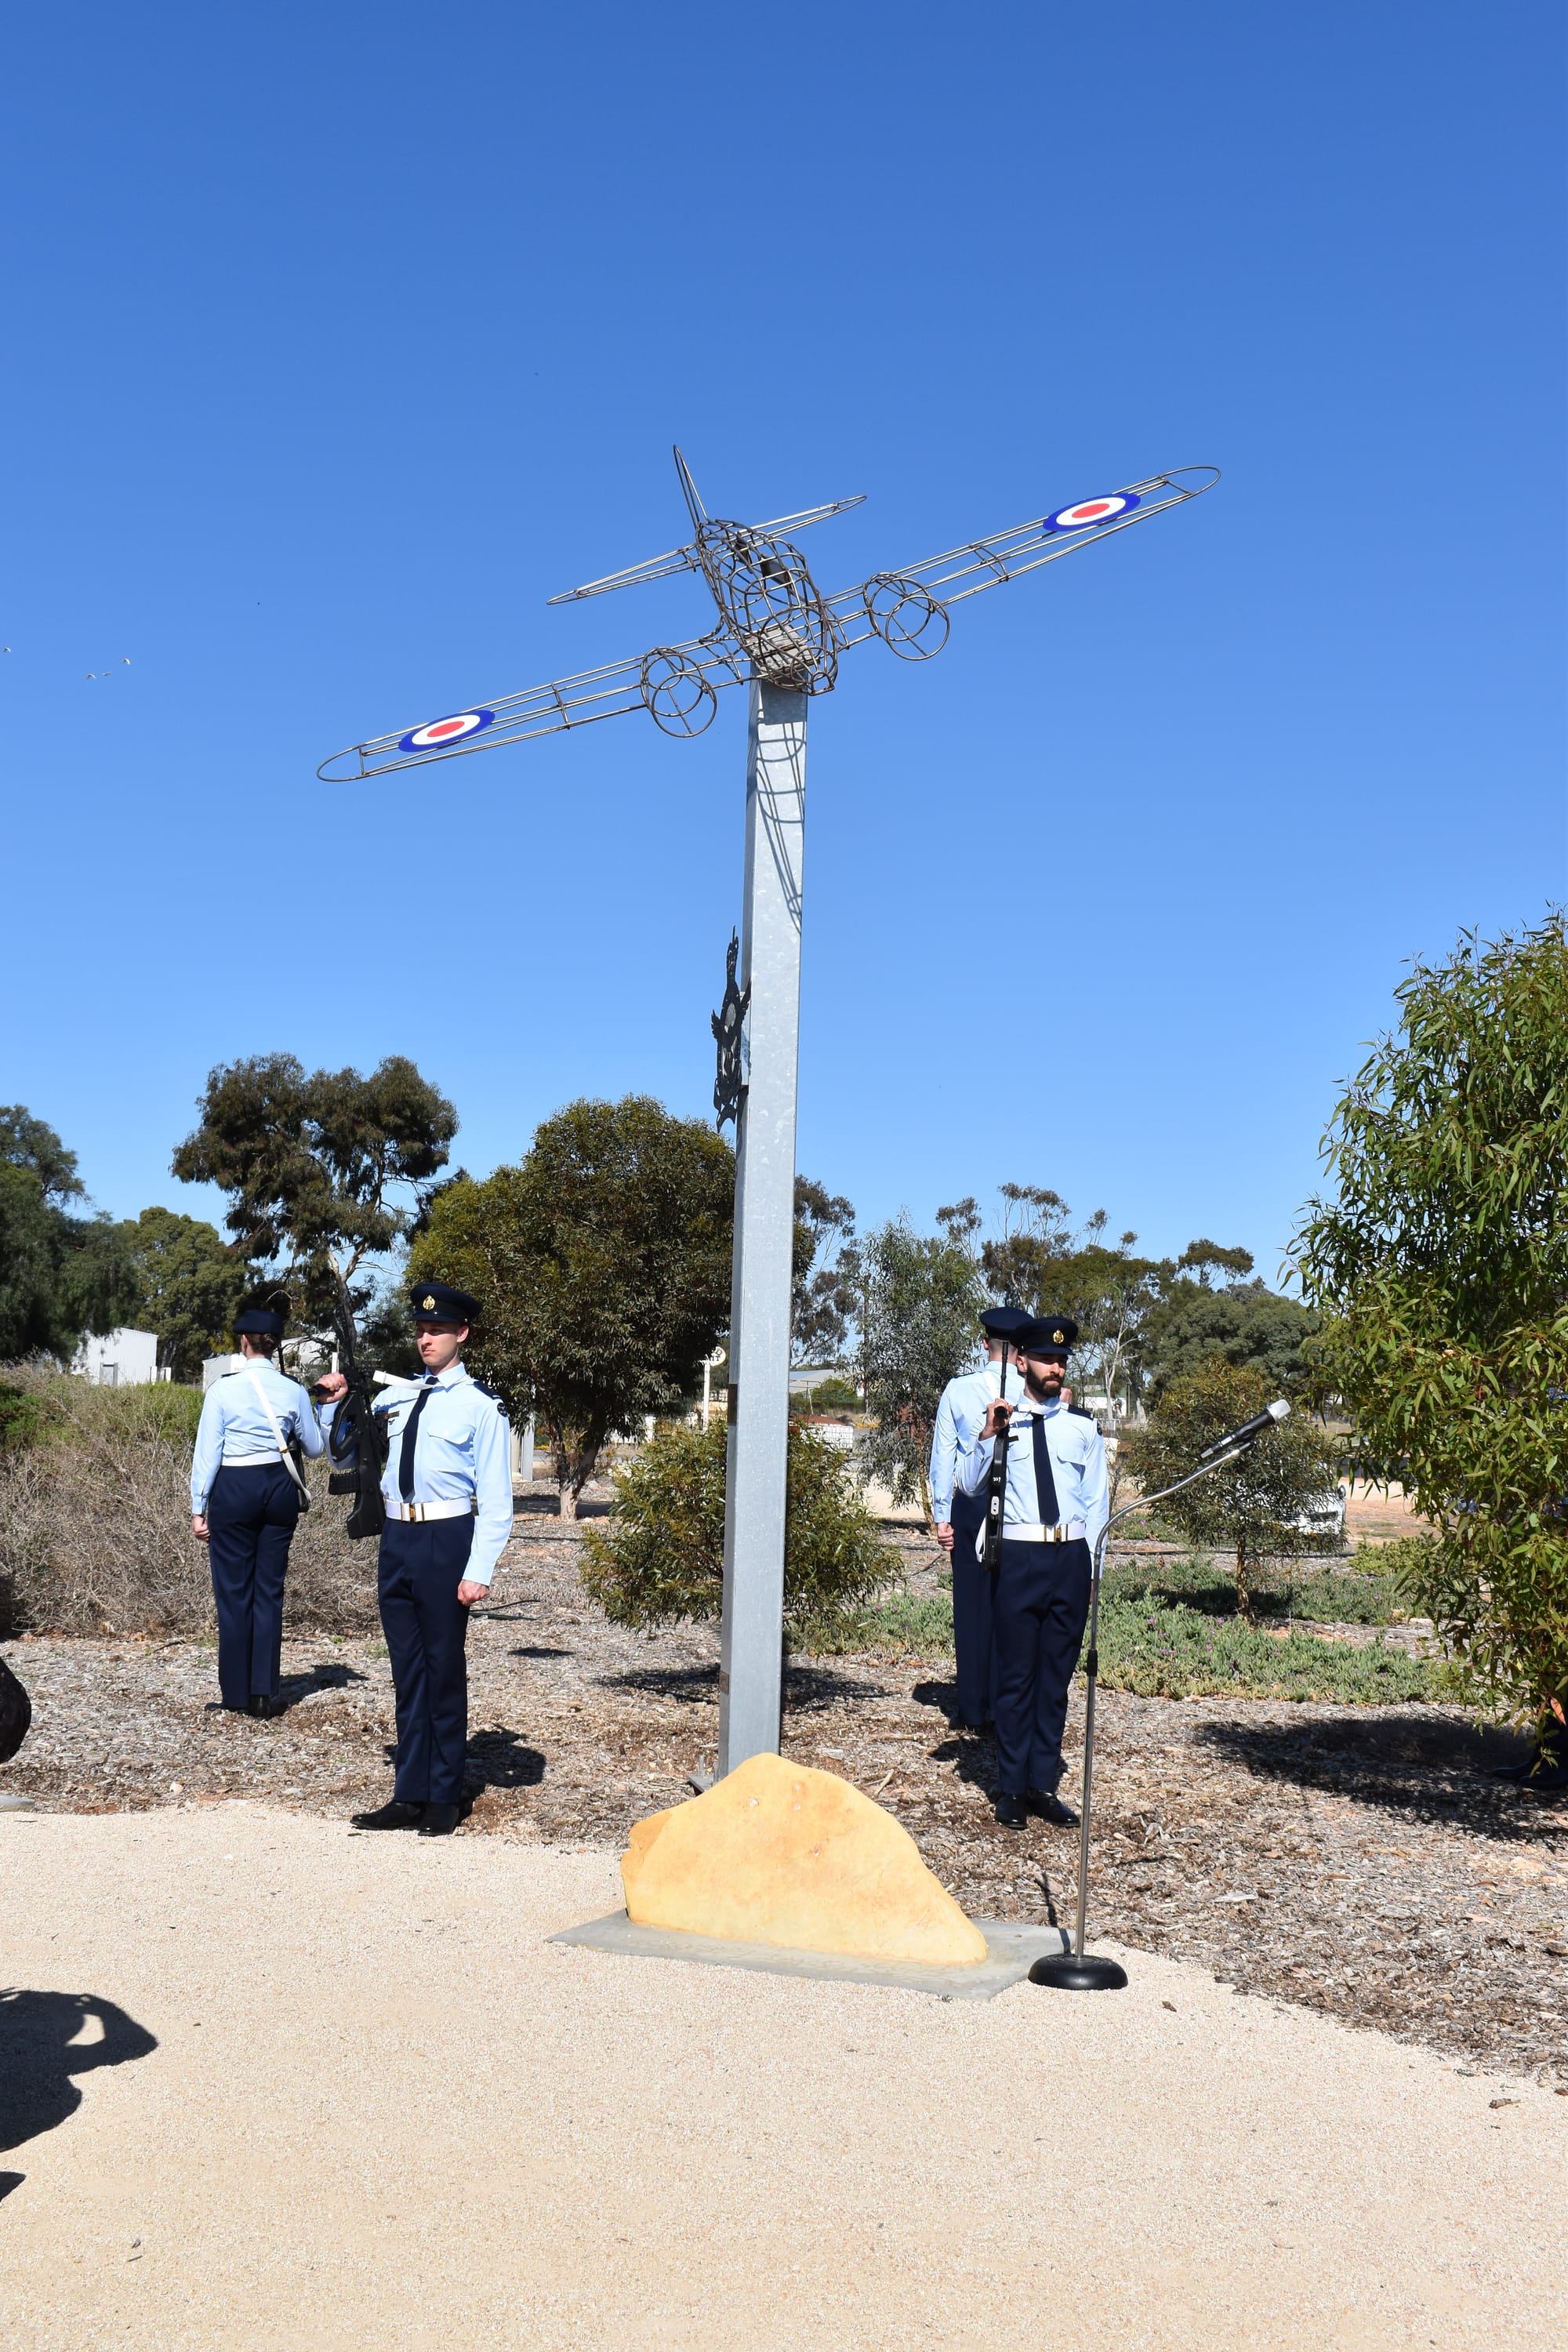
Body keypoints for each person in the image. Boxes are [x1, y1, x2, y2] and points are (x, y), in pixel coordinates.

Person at [317, 1281, 512, 1837]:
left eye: (438, 1331)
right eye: (422, 1331)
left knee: (442, 1668)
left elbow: (497, 1499)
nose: (426, 1340)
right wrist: (334, 1407)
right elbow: (343, 1456)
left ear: (462, 1334)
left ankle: (445, 1794)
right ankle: (409, 1792)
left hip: (447, 1538)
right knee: (406, 1671)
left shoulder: (481, 1406)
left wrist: (479, 1570)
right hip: (397, 1536)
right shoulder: (394, 1397)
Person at [953, 1314, 1109, 1828]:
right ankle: (1012, 1788)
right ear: (1021, 1362)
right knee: (1017, 1678)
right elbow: (969, 1485)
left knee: (1056, 1679)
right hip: (1019, 1558)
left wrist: (1093, 1568)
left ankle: (1043, 1785)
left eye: (1061, 1360)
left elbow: (1097, 1503)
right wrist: (987, 1435)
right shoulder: (1001, 1420)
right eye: (1045, 1359)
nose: (1055, 1368)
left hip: (1069, 1558)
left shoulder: (1083, 1427)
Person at [191, 1306, 325, 1718]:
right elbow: (314, 1448)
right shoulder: (293, 1389)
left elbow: (208, 1454)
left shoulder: (223, 1390)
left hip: (235, 1486)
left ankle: (236, 1693)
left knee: (234, 1591)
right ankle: (264, 1693)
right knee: (269, 1590)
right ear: (275, 1345)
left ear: (243, 1342)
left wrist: (198, 1507)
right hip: (279, 1487)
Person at [929, 1305, 1033, 1730]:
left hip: (971, 1505)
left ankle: (973, 1707)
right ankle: (1006, 1706)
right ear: (1020, 1347)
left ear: (985, 1342)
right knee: (1014, 1607)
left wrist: (942, 1516)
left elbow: (943, 1455)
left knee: (972, 1608)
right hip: (1021, 1507)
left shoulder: (959, 1389)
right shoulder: (1035, 1392)